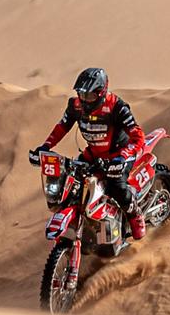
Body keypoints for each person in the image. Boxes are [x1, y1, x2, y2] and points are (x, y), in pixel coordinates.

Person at [30, 67, 149, 240]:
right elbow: (62, 127)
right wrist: (45, 147)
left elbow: (138, 137)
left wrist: (121, 158)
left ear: (101, 93)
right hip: (93, 155)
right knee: (72, 185)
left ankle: (136, 216)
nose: (84, 100)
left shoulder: (117, 107)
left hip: (120, 154)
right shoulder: (76, 106)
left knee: (117, 187)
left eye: (90, 96)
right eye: (81, 95)